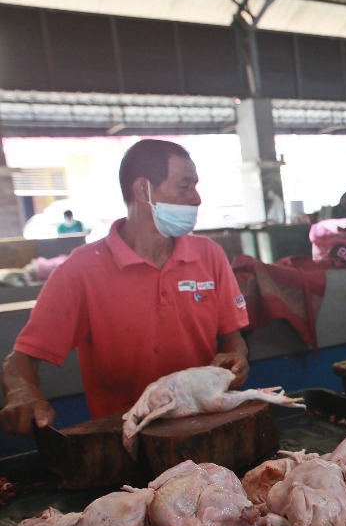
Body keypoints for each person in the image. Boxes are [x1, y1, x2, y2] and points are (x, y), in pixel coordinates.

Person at [1, 139, 250, 438]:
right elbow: (21, 359)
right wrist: (21, 391)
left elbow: (232, 338)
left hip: (209, 428)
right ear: (143, 190)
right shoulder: (81, 270)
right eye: (184, 187)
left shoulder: (209, 255)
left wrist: (235, 359)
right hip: (125, 438)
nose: (197, 199)